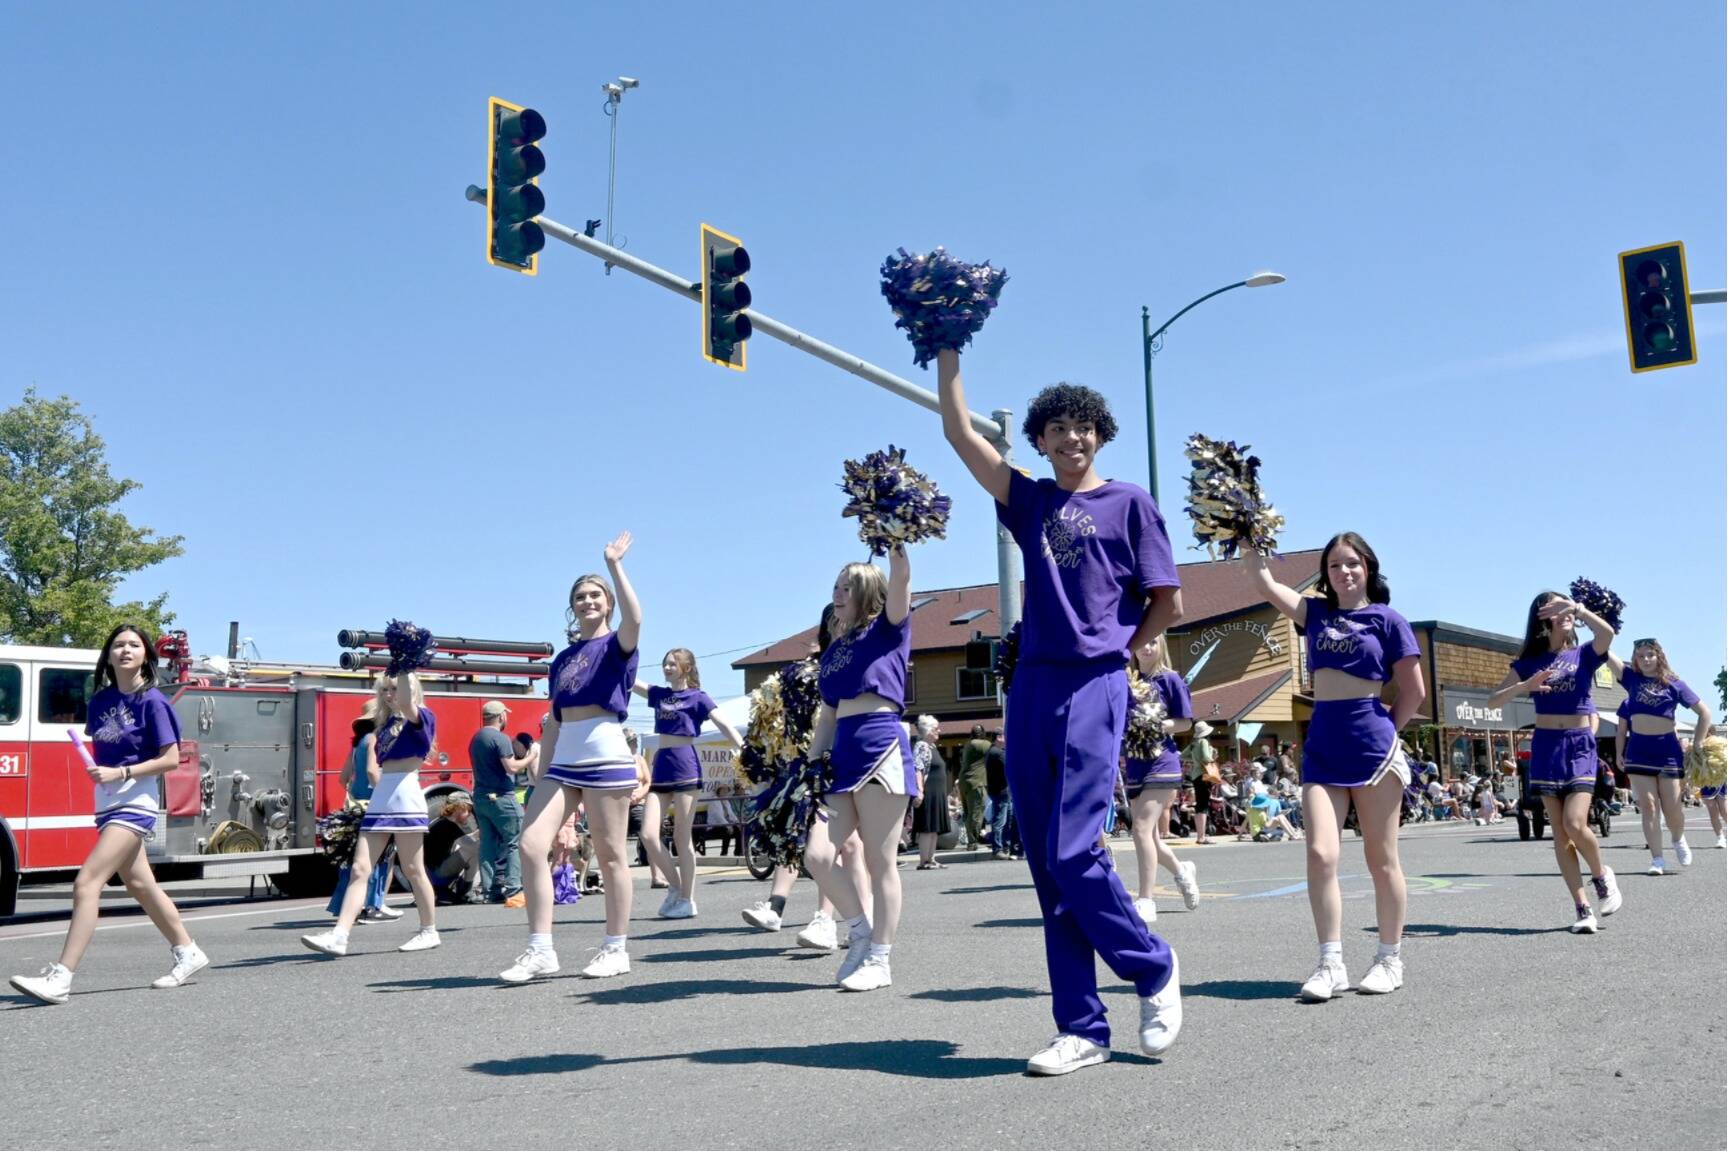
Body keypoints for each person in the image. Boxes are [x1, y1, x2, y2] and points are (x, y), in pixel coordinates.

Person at [938, 348, 1182, 1076]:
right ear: (1040, 440)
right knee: (1048, 866)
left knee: (1077, 850)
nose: (1072, 440)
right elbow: (959, 432)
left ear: (1100, 435)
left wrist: (1121, 649)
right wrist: (947, 346)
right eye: (1058, 430)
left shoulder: (1130, 502)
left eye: (1084, 429)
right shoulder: (1032, 502)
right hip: (1032, 688)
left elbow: (1167, 600)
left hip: (1095, 683)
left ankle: (1152, 966)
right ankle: (1081, 1025)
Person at [1249, 532, 1426, 1001]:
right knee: (1321, 854)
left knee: (1380, 859)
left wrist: (1387, 728)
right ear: (1325, 574)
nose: (1343, 572)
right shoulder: (1315, 613)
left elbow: (1414, 691)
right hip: (1324, 741)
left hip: (1372, 742)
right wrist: (1244, 537)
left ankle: (1389, 959)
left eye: (1352, 564)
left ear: (1368, 567)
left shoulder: (1388, 620)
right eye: (1334, 566)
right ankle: (1330, 963)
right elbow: (1265, 583)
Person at [9, 624, 209, 1005]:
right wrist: (104, 775)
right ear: (109, 655)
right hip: (108, 802)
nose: (126, 650)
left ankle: (62, 977)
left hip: (137, 801)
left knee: (87, 883)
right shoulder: (100, 701)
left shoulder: (153, 702)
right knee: (139, 884)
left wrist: (123, 773)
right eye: (119, 645)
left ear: (146, 656)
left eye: (134, 645)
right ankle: (188, 950)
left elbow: (170, 758)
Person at [499, 533, 643, 983]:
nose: (587, 601)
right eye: (580, 597)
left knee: (611, 854)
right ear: (572, 606)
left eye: (595, 595)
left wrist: (614, 565)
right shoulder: (561, 661)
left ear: (608, 603)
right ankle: (540, 948)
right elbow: (554, 720)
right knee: (530, 845)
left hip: (605, 752)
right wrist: (541, 776)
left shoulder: (618, 644)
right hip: (563, 759)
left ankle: (615, 947)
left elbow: (636, 617)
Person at [802, 549, 918, 993]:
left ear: (867, 592)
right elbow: (828, 715)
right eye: (835, 585)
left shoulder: (889, 629)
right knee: (817, 855)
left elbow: (902, 581)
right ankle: (861, 931)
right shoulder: (835, 649)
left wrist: (897, 550)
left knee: (878, 860)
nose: (837, 593)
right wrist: (812, 763)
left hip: (881, 744)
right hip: (841, 754)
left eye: (847, 586)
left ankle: (881, 957)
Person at [1488, 590, 1622, 933]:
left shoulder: (1583, 654)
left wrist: (1578, 608)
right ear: (1542, 617)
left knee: (1577, 823)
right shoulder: (1529, 661)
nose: (1564, 612)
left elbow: (1606, 635)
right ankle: (1582, 908)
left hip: (1578, 745)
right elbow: (1492, 702)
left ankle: (1602, 876)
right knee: (1560, 834)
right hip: (1546, 746)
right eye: (1556, 606)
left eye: (1566, 607)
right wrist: (1525, 685)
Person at [303, 670, 442, 956]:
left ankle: (429, 930)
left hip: (405, 794)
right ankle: (340, 935)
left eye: (394, 689)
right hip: (381, 797)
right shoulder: (383, 725)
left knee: (414, 870)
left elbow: (407, 704)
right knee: (359, 868)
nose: (389, 695)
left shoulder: (423, 717)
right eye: (384, 690)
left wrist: (403, 667)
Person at [632, 648, 744, 918]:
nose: (667, 668)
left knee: (683, 837)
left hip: (686, 766)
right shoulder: (660, 694)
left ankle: (687, 898)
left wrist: (743, 748)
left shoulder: (698, 697)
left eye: (672, 664)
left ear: (687, 667)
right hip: (662, 766)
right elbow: (631, 679)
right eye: (665, 663)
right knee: (648, 834)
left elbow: (724, 724)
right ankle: (675, 887)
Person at [1614, 637, 1713, 875]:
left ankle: (1678, 838)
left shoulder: (1674, 683)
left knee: (1672, 808)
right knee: (1648, 806)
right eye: (1640, 656)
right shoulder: (1631, 679)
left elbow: (1705, 713)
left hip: (1668, 751)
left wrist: (1696, 745)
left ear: (1659, 656)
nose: (1646, 659)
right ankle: (1657, 859)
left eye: (1650, 654)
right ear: (1635, 660)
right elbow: (1605, 652)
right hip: (1638, 751)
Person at [1123, 635, 1200, 925]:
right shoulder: (1125, 680)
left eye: (1153, 642)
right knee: (1151, 837)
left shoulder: (1170, 680)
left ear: (1162, 646)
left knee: (1141, 829)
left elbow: (1185, 721)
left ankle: (1146, 899)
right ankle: (1183, 872)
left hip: (1162, 761)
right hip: (1134, 761)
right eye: (1141, 642)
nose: (1147, 647)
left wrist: (1156, 723)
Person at [327, 705, 403, 923]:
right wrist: (385, 794)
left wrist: (355, 792)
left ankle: (353, 906)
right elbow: (372, 771)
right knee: (381, 857)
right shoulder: (374, 740)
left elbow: (343, 778)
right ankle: (372, 905)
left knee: (356, 860)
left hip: (356, 805)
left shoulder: (357, 743)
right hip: (374, 804)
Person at [470, 700, 535, 906]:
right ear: (501, 717)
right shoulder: (500, 738)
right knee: (515, 841)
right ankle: (515, 889)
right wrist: (531, 757)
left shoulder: (476, 738)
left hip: (481, 797)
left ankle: (491, 891)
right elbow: (511, 768)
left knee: (487, 844)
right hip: (501, 797)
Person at [911, 715, 952, 869]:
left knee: (934, 827)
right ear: (928, 731)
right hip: (928, 791)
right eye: (936, 729)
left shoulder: (931, 747)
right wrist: (920, 790)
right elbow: (918, 768)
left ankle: (931, 858)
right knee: (927, 827)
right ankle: (924, 861)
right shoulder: (921, 746)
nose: (939, 731)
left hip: (938, 792)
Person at [958, 724, 993, 848]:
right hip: (976, 782)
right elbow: (996, 751)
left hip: (964, 782)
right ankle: (972, 842)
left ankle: (970, 840)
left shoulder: (969, 744)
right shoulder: (983, 744)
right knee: (976, 813)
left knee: (968, 812)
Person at [1183, 722, 1218, 844]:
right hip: (1204, 774)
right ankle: (1201, 836)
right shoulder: (1203, 742)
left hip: (1195, 775)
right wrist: (1213, 758)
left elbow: (1182, 756)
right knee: (1203, 805)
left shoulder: (1193, 744)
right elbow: (1205, 758)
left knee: (1199, 805)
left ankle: (1200, 835)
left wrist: (1193, 760)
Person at [985, 731, 1014, 859]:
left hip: (999, 790)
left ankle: (1004, 847)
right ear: (998, 737)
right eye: (1004, 736)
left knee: (1006, 819)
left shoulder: (992, 751)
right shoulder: (997, 752)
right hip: (1001, 790)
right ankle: (998, 849)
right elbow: (1010, 767)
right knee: (1001, 821)